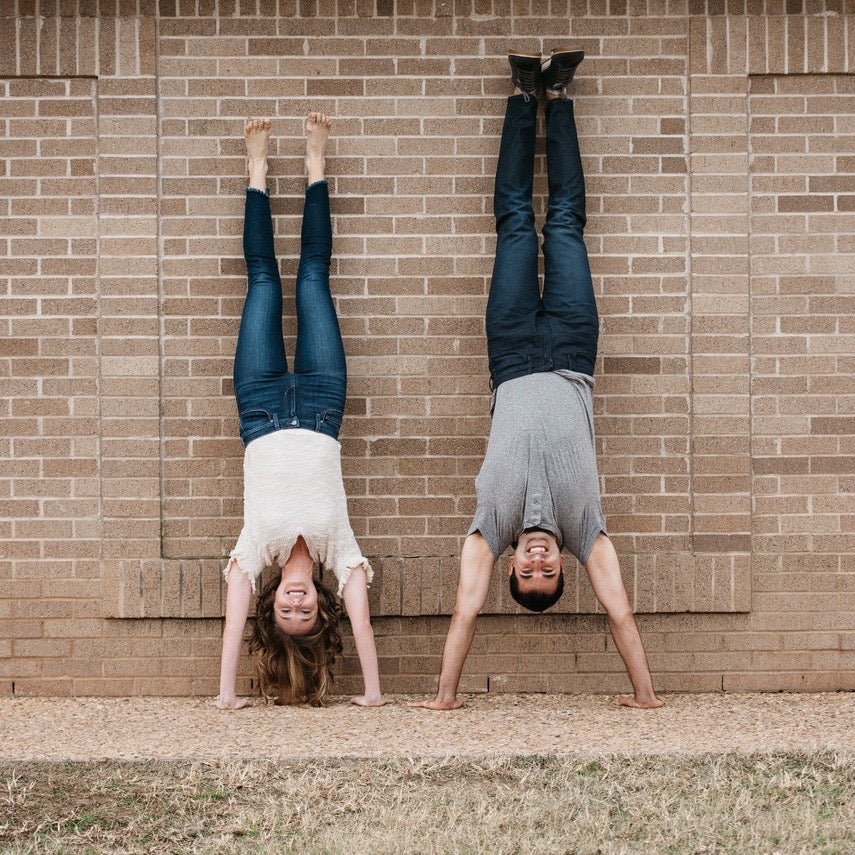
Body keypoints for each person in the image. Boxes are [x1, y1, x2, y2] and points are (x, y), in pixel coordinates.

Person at [412, 51, 663, 711]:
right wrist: (646, 698)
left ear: (512, 566)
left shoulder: (489, 529)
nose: (537, 563)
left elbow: (467, 609)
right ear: (560, 568)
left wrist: (444, 698)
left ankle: (525, 98)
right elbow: (618, 612)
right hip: (574, 348)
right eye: (547, 574)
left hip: (513, 348)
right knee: (565, 222)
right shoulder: (586, 532)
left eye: (526, 573)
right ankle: (562, 95)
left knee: (517, 224)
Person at [214, 114, 389, 710]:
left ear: (271, 604)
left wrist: (225, 696)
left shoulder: (251, 552)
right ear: (319, 601)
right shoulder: (341, 554)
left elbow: (234, 628)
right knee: (314, 279)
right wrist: (371, 693)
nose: (295, 603)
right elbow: (361, 627)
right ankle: (316, 167)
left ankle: (257, 172)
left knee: (262, 281)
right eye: (305, 610)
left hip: (259, 405)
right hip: (321, 403)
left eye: (286, 611)